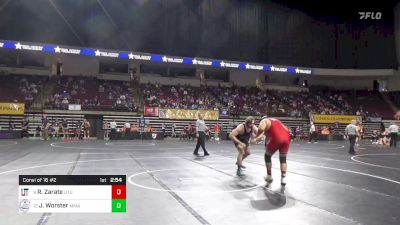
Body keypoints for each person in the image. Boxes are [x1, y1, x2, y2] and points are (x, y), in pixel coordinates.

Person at [253, 116, 290, 186]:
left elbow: (261, 129)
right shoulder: (277, 121)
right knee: (283, 159)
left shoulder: (265, 121)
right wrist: (260, 141)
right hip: (287, 137)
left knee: (267, 156)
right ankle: (283, 178)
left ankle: (269, 176)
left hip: (278, 138)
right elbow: (266, 136)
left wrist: (255, 137)